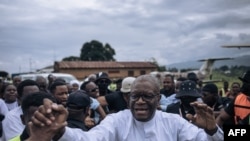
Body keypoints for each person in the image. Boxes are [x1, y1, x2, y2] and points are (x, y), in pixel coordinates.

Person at [29, 74, 223, 141]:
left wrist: (212, 129)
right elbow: (89, 139)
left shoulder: (174, 122)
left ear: (158, 99)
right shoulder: (117, 120)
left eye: (146, 96)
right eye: (134, 96)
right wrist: (61, 131)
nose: (139, 101)